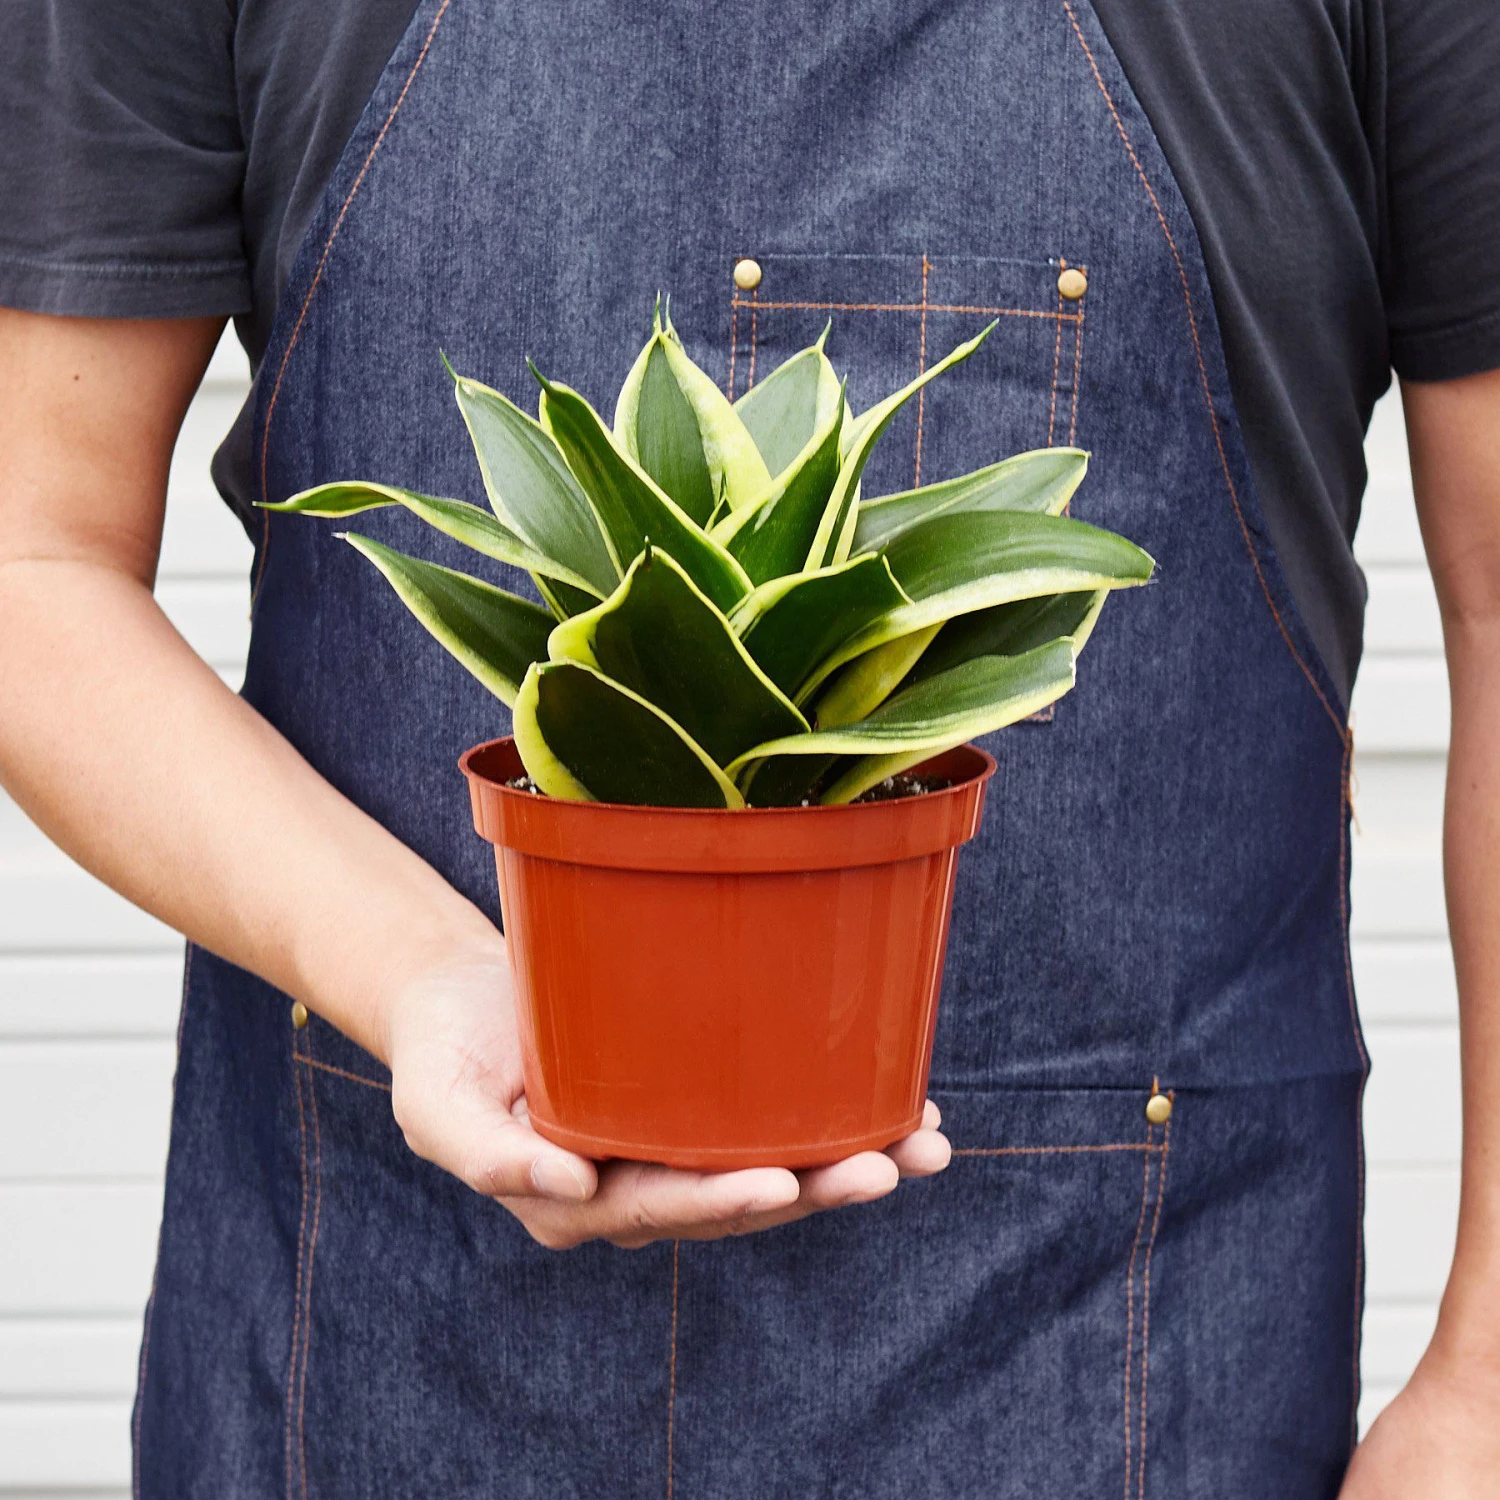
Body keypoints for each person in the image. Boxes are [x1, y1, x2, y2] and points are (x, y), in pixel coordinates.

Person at [2, 0, 1497, 1494]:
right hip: (381, 1358)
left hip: (1116, 1364)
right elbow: (33, 561)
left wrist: (1486, 1396)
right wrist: (419, 976)